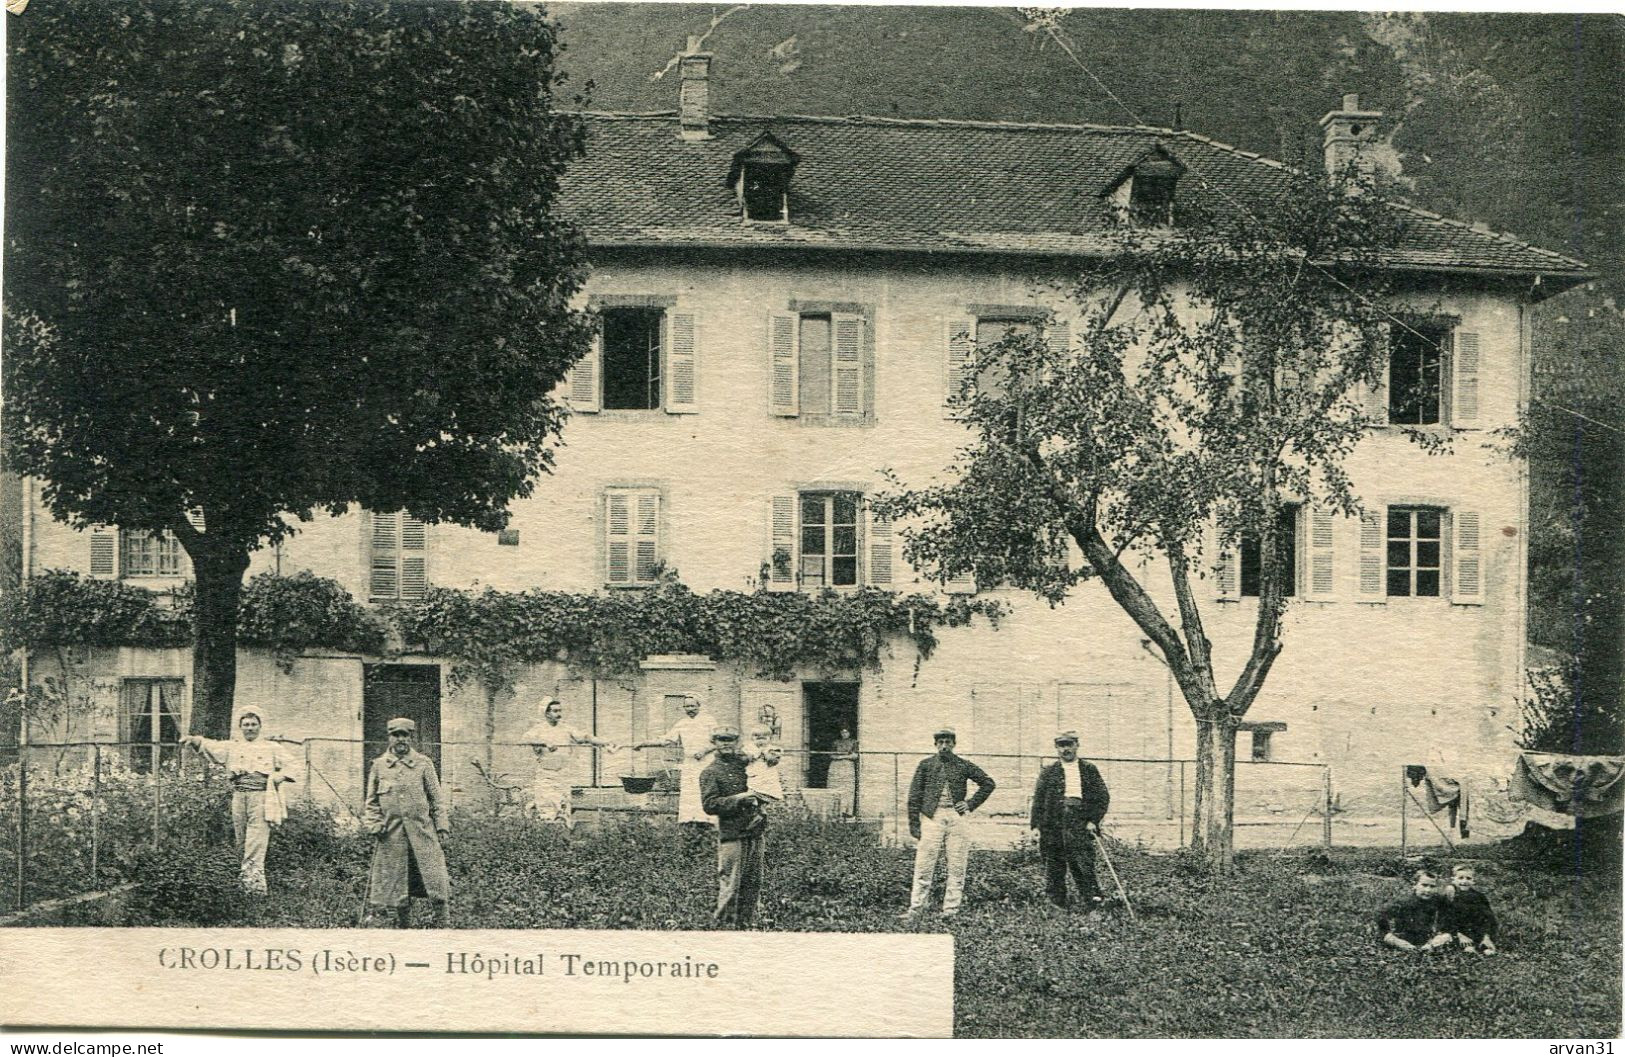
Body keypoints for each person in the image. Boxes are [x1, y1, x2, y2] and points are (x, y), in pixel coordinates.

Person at [183, 711, 292, 895]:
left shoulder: (271, 747)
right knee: (241, 840)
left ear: (259, 726)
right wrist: (195, 740)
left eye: (253, 724)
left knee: (255, 841)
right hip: (239, 796)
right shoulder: (232, 747)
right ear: (240, 727)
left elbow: (293, 764)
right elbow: (212, 746)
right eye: (246, 725)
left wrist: (279, 776)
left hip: (261, 797)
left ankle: (254, 890)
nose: (250, 728)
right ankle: (245, 886)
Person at [364, 718, 452, 928]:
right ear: (389, 737)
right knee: (398, 883)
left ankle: (444, 923)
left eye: (405, 735)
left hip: (423, 834)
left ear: (411, 738)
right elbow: (371, 802)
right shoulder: (378, 766)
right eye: (396, 735)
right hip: (392, 836)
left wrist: (442, 827)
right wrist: (375, 824)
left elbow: (437, 800)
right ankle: (405, 925)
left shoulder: (424, 764)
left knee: (435, 880)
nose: (401, 739)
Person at [902, 727, 995, 918]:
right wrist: (915, 825)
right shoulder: (925, 765)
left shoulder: (963, 765)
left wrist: (970, 804)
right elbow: (914, 796)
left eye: (948, 742)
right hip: (932, 817)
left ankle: (951, 910)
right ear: (935, 744)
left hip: (956, 818)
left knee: (957, 864)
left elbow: (988, 783)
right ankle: (916, 908)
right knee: (924, 865)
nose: (944, 746)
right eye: (941, 742)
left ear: (954, 744)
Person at [1029, 730, 1111, 910]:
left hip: (1079, 820)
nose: (1065, 749)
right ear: (1056, 748)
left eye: (1069, 744)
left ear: (1076, 746)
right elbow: (1039, 800)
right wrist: (1035, 826)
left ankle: (1093, 901)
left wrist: (1093, 820)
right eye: (1061, 745)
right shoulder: (1049, 772)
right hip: (1053, 822)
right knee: (1054, 862)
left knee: (1082, 862)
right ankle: (1056, 902)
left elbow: (1102, 797)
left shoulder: (1089, 769)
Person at [700, 727, 769, 928]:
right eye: (721, 740)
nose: (726, 744)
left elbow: (764, 783)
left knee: (753, 883)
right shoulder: (710, 772)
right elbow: (710, 805)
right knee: (731, 885)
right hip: (733, 833)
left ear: (736, 742)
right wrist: (738, 799)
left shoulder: (746, 766)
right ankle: (722, 927)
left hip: (755, 830)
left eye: (730, 740)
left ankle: (746, 925)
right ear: (714, 743)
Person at [522, 697, 615, 828]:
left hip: (562, 775)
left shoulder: (566, 728)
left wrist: (604, 742)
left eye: (560, 711)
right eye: (555, 711)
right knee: (546, 810)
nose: (559, 714)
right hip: (545, 776)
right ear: (547, 713)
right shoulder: (539, 729)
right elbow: (526, 738)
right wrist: (544, 742)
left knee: (563, 809)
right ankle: (544, 838)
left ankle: (562, 839)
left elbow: (585, 737)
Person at [634, 695, 718, 830]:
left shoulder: (709, 720)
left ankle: (709, 824)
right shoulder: (682, 723)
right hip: (690, 763)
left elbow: (718, 741)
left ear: (699, 706)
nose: (690, 709)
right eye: (687, 706)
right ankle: (691, 824)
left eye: (692, 706)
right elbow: (667, 740)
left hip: (707, 762)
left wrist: (704, 751)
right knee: (690, 793)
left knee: (706, 791)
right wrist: (644, 743)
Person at [1376, 869, 1453, 953]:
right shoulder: (1404, 902)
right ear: (1414, 885)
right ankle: (1410, 948)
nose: (1428, 890)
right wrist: (1387, 932)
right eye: (1424, 885)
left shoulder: (1438, 900)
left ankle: (1427, 948)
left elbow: (1449, 917)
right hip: (1405, 938)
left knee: (1446, 936)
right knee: (1389, 938)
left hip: (1429, 939)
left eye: (1432, 886)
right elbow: (1381, 914)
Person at [1441, 864, 1499, 955]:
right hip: (1457, 933)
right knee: (1457, 944)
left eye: (1468, 878)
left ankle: (1482, 946)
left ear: (1473, 881)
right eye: (1460, 878)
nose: (1464, 881)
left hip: (1475, 932)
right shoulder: (1450, 895)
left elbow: (1488, 918)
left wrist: (1486, 936)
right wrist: (1459, 934)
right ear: (1454, 879)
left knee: (1487, 949)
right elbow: (1445, 919)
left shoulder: (1479, 897)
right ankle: (1466, 949)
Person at [745, 725, 785, 804]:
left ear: (769, 739)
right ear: (751, 738)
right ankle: (754, 802)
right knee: (752, 788)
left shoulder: (772, 749)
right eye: (757, 737)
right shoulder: (749, 748)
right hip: (754, 773)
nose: (760, 740)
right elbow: (747, 758)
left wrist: (768, 753)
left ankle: (764, 802)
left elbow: (774, 761)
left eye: (764, 738)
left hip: (767, 773)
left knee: (767, 789)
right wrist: (757, 752)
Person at [827, 726, 859, 814]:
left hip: (847, 766)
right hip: (836, 766)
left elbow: (855, 756)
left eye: (846, 732)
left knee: (847, 787)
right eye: (842, 732)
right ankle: (835, 811)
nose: (844, 734)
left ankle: (847, 811)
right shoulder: (836, 742)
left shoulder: (854, 742)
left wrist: (842, 756)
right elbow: (831, 755)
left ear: (849, 733)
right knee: (836, 786)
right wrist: (839, 757)